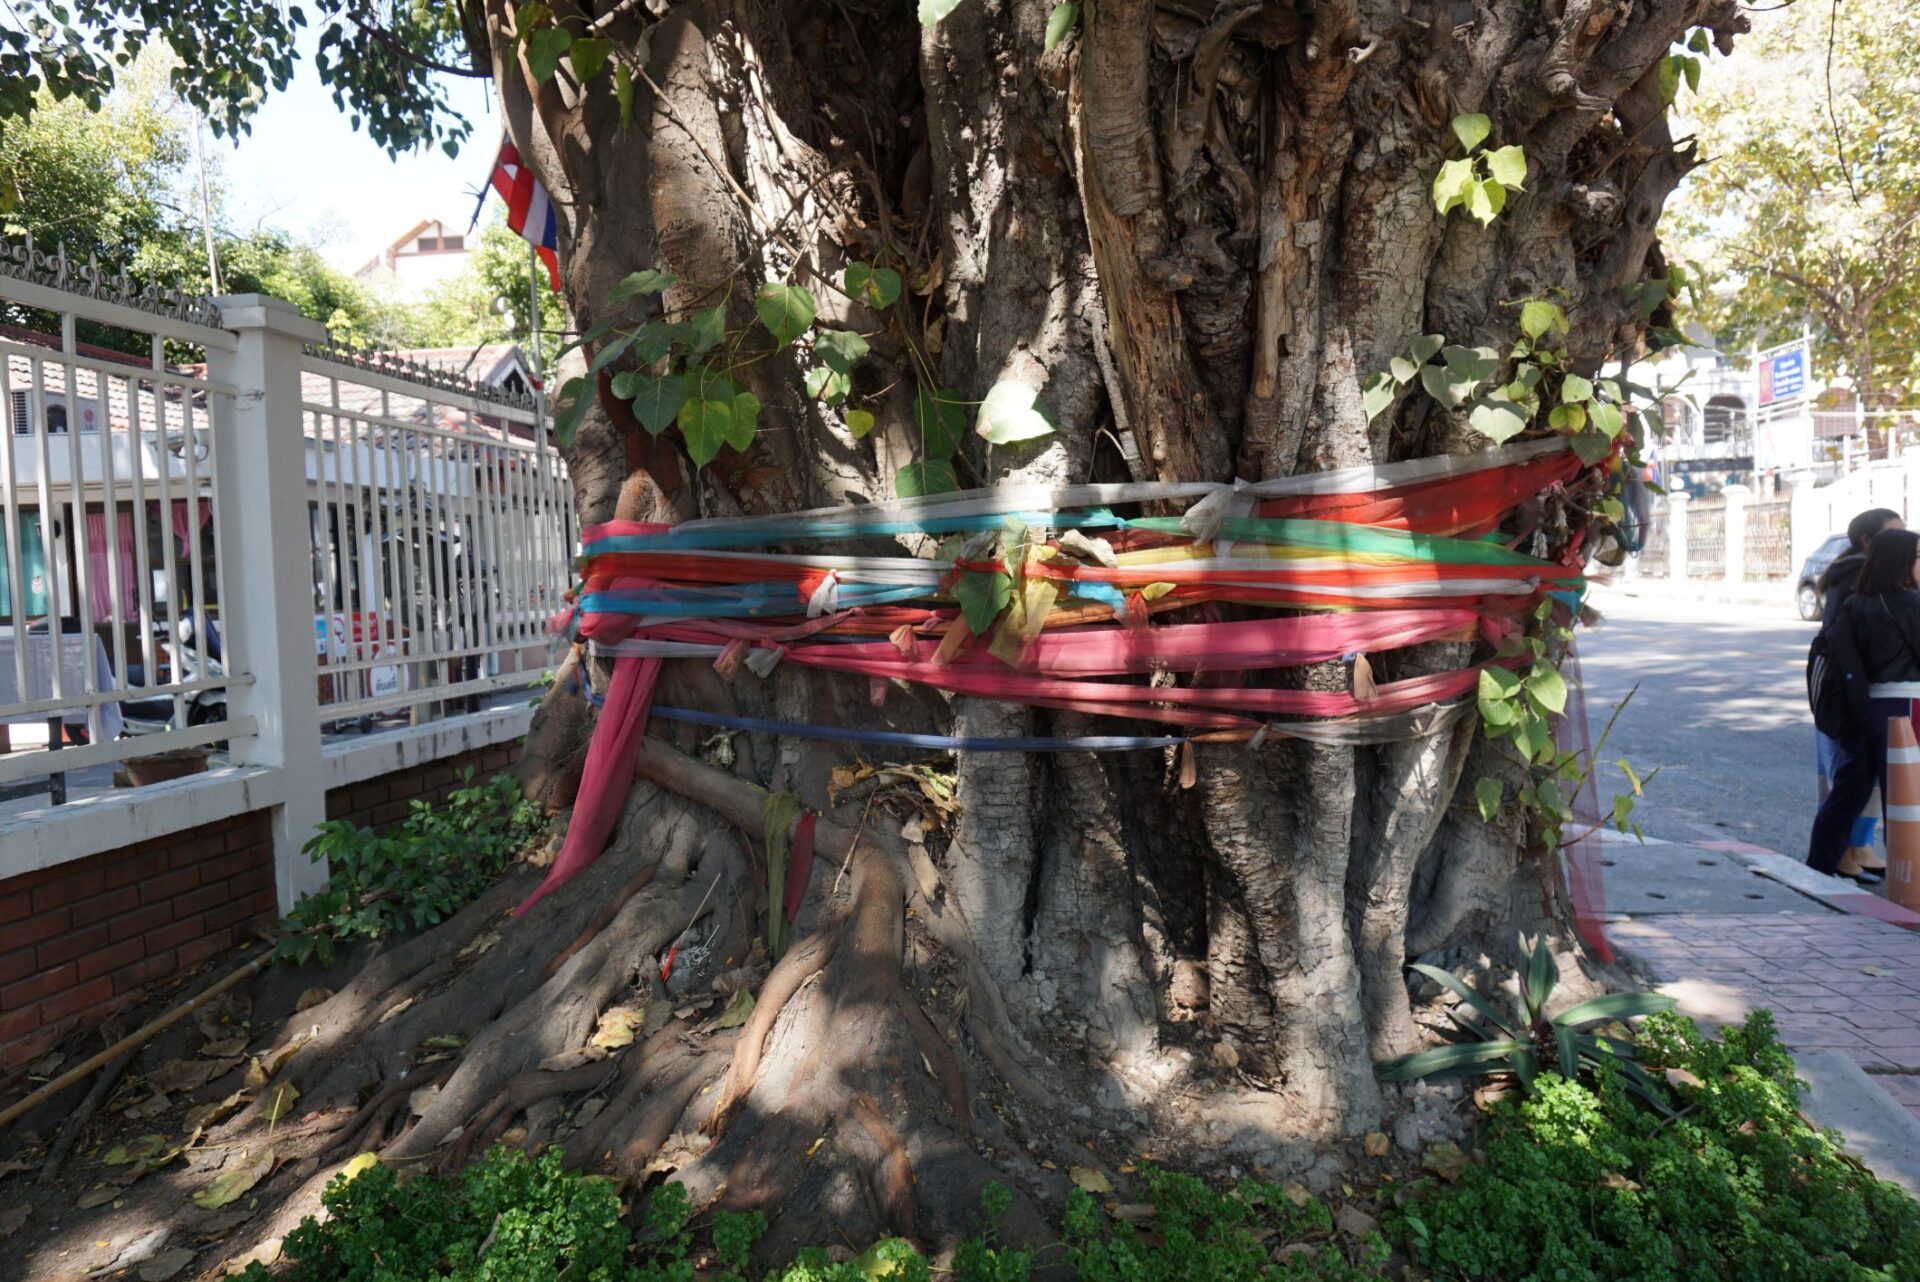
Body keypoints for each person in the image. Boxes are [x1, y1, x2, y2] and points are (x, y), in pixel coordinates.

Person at [1807, 527, 1920, 881]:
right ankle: (1908, 882)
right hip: (1906, 707)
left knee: (1849, 790)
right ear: (1902, 562)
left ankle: (1819, 866)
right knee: (1906, 797)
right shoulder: (1911, 604)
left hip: (1864, 707)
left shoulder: (1855, 604)